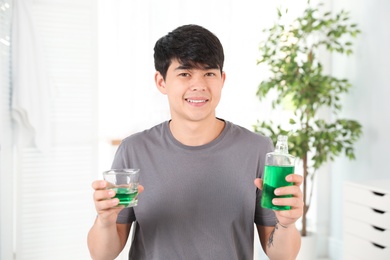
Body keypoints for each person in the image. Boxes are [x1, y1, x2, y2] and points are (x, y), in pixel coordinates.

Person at [87, 24, 303, 260]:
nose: (199, 85)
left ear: (222, 79)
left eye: (209, 73)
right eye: (185, 73)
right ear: (161, 82)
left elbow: (282, 255)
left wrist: (286, 223)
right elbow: (102, 255)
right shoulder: (134, 150)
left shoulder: (257, 149)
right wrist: (105, 221)